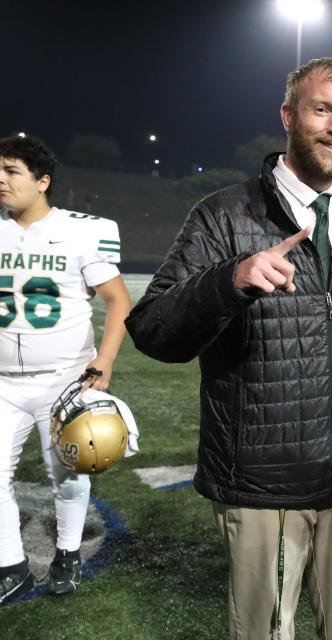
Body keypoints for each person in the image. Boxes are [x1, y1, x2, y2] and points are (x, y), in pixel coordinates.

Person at [124, 58, 332, 639]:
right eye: (322, 109)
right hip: (264, 484)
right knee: (267, 633)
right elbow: (153, 331)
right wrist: (229, 280)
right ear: (287, 116)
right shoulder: (222, 216)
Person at [0, 134, 132, 603]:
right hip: (3, 383)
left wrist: (105, 360)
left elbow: (119, 301)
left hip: (64, 379)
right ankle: (11, 565)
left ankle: (67, 553)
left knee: (71, 476)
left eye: (12, 171)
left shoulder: (77, 232)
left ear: (42, 181)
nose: (1, 179)